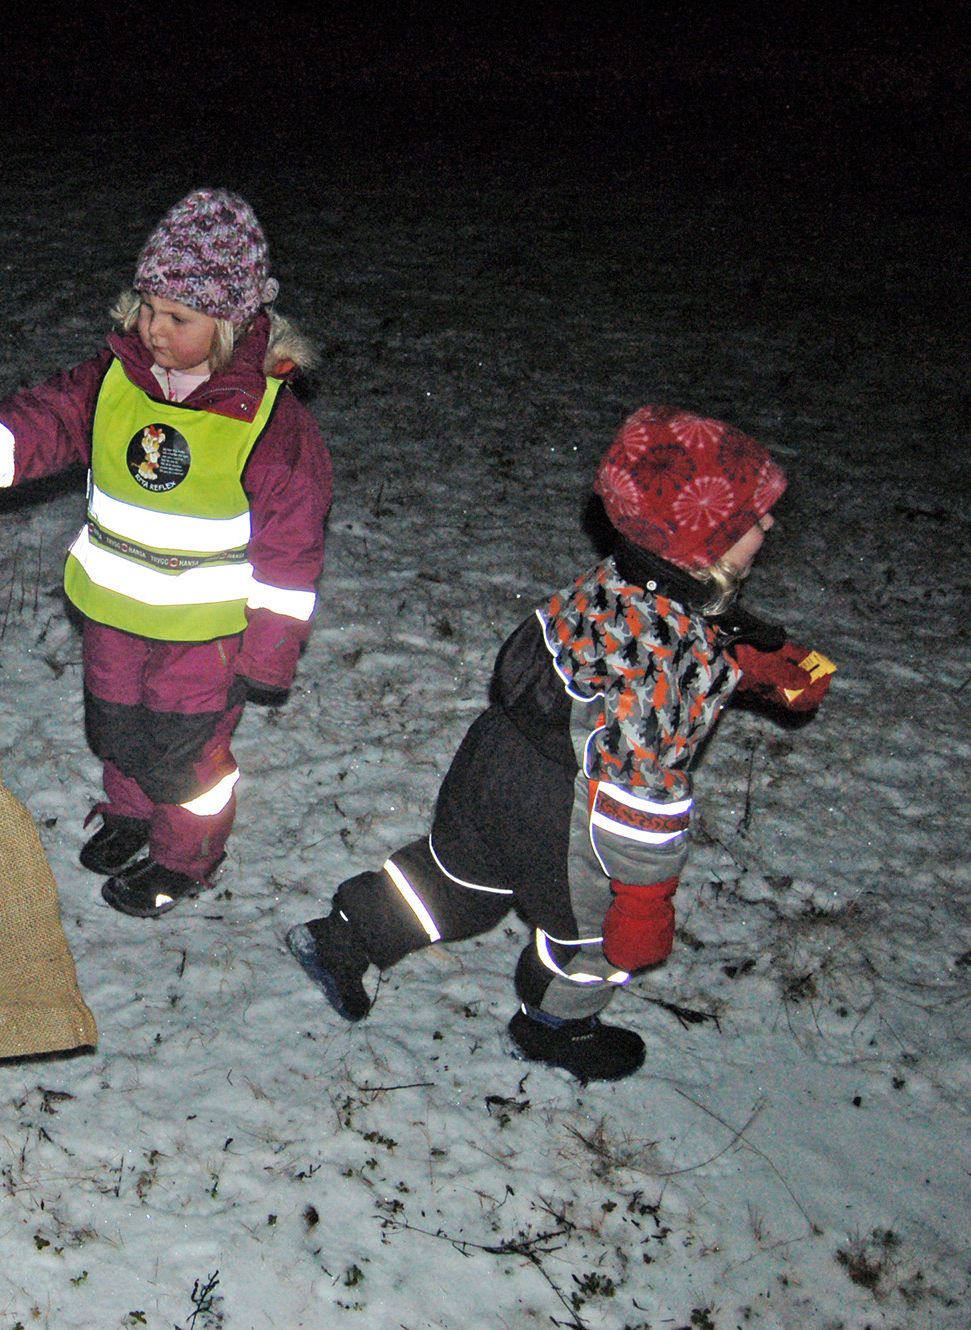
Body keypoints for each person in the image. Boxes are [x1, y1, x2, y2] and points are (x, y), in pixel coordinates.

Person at [287, 407, 837, 1081]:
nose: (769, 525)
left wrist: (745, 658)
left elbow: (644, 639)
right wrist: (644, 898)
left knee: (457, 881)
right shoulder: (667, 668)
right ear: (701, 540)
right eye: (753, 517)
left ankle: (343, 936)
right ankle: (556, 1027)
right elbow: (642, 791)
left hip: (496, 760)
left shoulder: (616, 578)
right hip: (569, 809)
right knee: (592, 936)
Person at [0, 189, 332, 918]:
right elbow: (39, 422)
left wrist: (270, 649)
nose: (153, 329)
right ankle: (131, 813)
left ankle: (184, 856)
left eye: (178, 318)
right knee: (115, 723)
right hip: (114, 613)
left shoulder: (266, 420)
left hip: (206, 637)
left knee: (185, 756)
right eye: (147, 308)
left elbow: (291, 550)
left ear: (230, 323)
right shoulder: (115, 378)